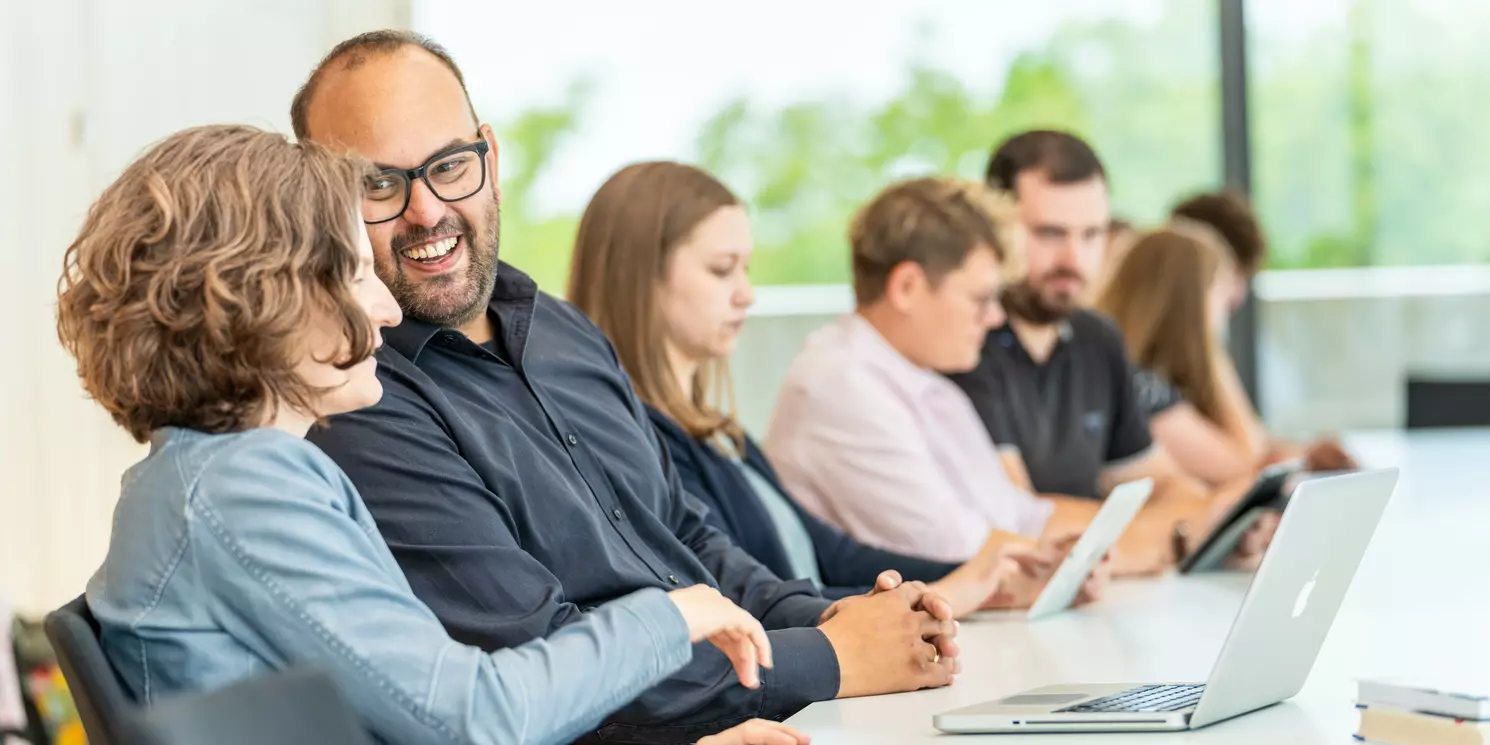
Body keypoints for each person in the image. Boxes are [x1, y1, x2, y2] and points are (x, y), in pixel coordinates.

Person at [294, 31, 957, 743]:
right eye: (377, 184)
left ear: (490, 154)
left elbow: (683, 537)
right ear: (320, 200)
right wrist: (829, 657)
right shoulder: (357, 399)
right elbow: (537, 659)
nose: (426, 210)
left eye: (450, 165)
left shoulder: (562, 332)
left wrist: (840, 617)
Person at [57, 124, 806, 745]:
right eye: (354, 274)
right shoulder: (244, 485)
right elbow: (469, 718)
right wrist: (669, 616)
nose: (385, 309)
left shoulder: (204, 477)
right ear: (262, 299)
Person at [566, 161, 1101, 615]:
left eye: (746, 269)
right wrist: (945, 592)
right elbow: (743, 600)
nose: (747, 294)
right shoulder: (639, 445)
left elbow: (832, 555)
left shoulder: (721, 434)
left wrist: (990, 583)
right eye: (722, 270)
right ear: (641, 278)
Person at [946, 130, 1277, 571]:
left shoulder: (1095, 338)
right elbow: (1021, 521)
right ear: (995, 229)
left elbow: (1169, 488)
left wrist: (1192, 523)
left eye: (1092, 234)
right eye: (1049, 233)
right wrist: (1175, 536)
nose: (1073, 259)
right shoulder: (964, 343)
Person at [1170, 190, 1357, 473]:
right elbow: (1245, 458)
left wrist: (1302, 452)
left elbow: (1250, 442)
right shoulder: (1147, 367)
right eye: (1230, 279)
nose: (1236, 297)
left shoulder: (1193, 350)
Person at [1093, 222, 1270, 487]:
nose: (1228, 308)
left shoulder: (1145, 374)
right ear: (1193, 304)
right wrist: (1212, 349)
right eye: (1219, 293)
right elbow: (1244, 461)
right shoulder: (1141, 387)